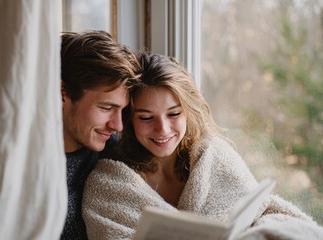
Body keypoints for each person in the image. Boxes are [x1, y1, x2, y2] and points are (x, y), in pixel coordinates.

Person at [81, 52, 323, 239]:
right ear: (129, 119)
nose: (163, 129)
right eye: (146, 117)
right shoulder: (109, 183)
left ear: (188, 111)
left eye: (174, 114)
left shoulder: (214, 157)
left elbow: (265, 212)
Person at [59, 30, 140, 240]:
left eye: (122, 111)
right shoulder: (25, 166)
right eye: (106, 108)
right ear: (62, 93)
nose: (118, 125)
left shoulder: (116, 153)